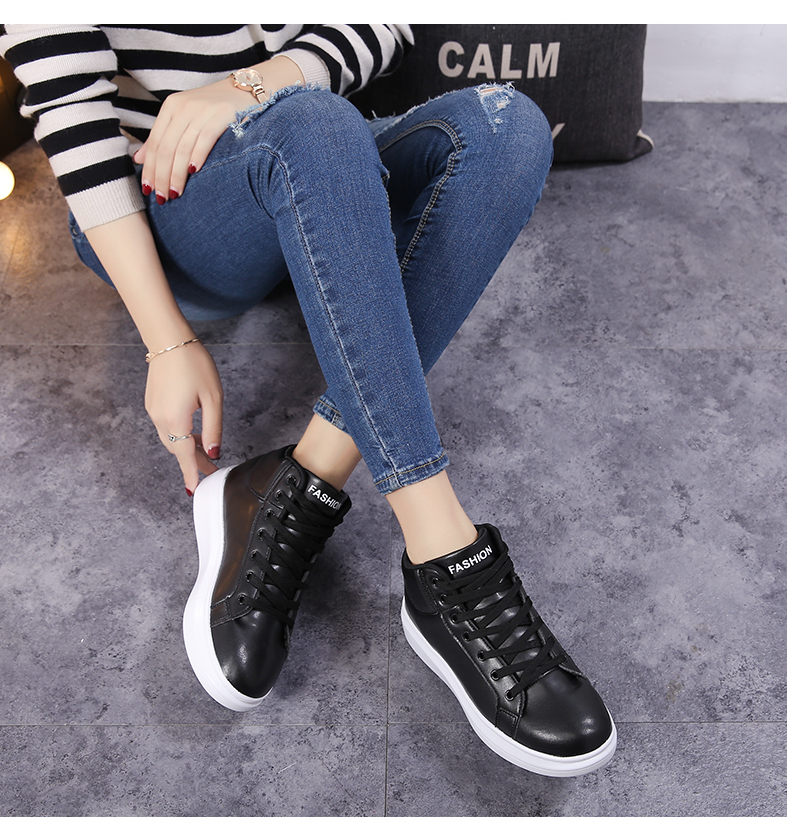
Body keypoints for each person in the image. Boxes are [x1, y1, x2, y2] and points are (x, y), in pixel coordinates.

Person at [1, 24, 616, 777]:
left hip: (323, 172)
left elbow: (381, 22)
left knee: (508, 127)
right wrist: (166, 339)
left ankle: (297, 481)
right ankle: (444, 553)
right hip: (168, 208)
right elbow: (70, 106)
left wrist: (248, 86)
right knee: (313, 123)